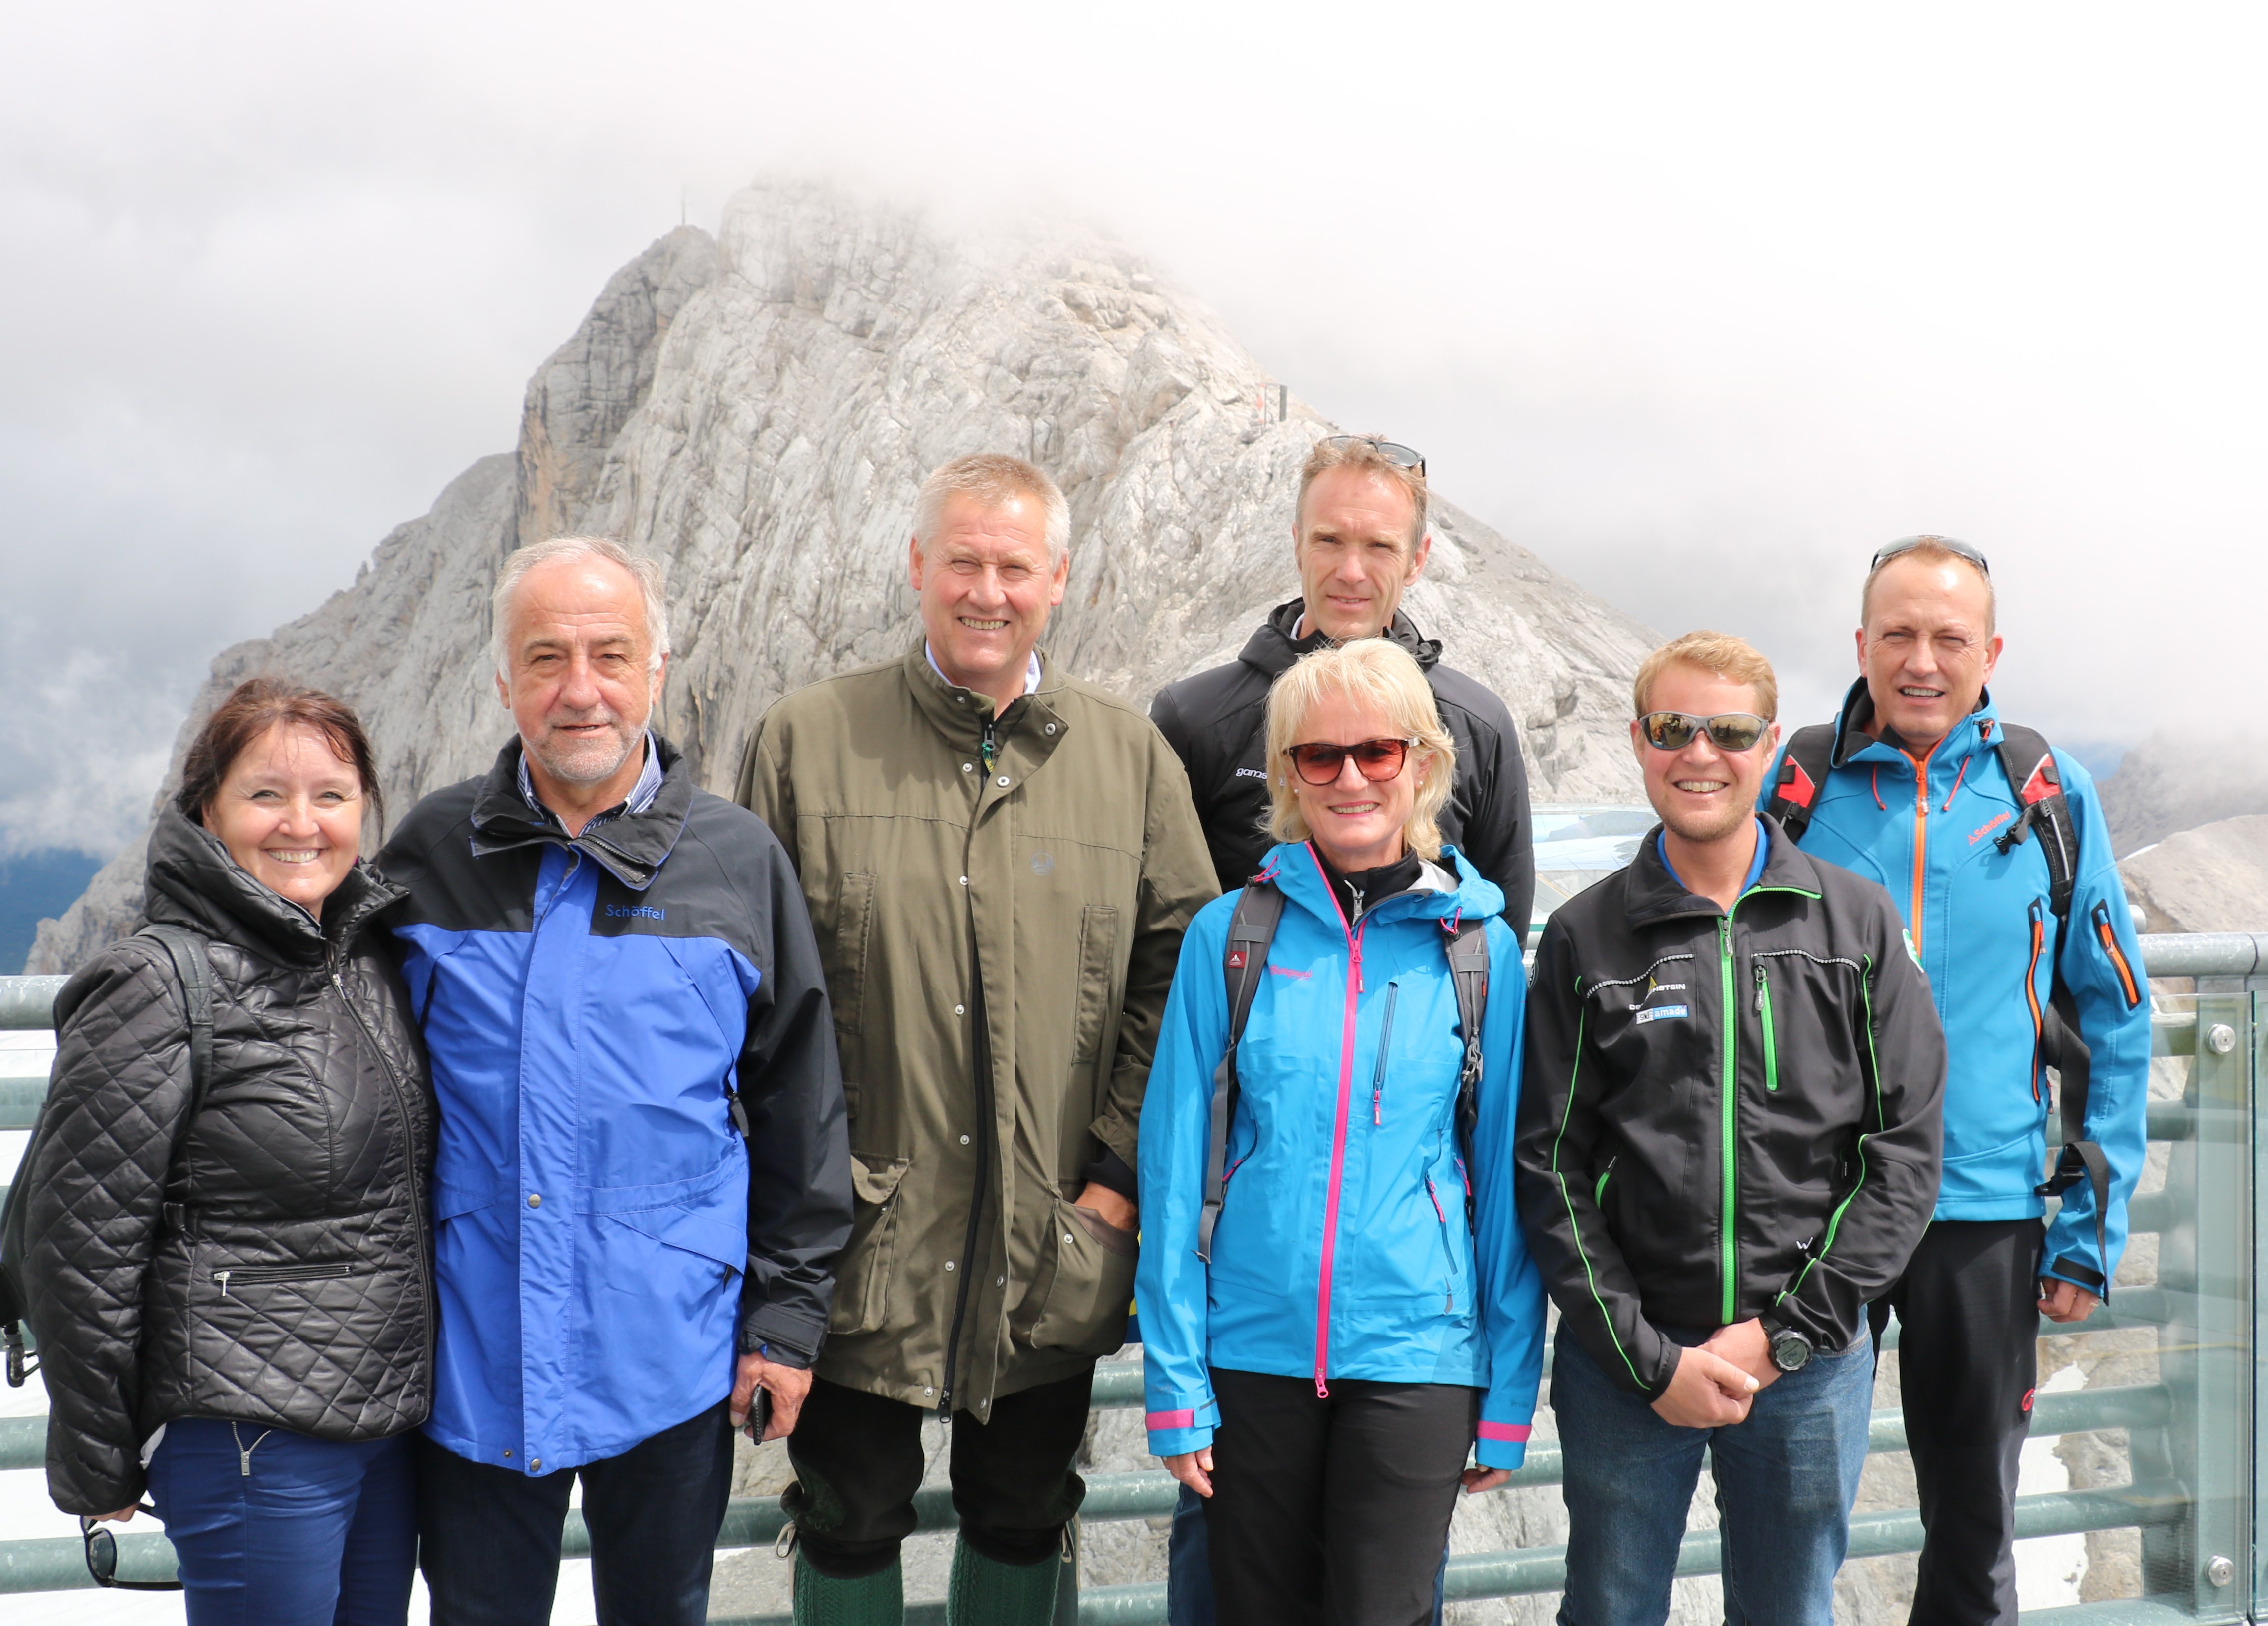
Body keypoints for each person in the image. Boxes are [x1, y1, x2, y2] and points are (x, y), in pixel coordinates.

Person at [736, 452, 1216, 1624]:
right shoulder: (807, 742)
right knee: (846, 1511)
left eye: (1013, 567)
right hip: (859, 1238)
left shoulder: (1130, 761)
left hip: (1050, 1234)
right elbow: (748, 1002)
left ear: (1058, 580)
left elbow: (1185, 981)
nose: (985, 591)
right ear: (917, 565)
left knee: (1025, 1507)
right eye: (962, 561)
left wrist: (1113, 1176)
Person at [379, 535, 850, 1626]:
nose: (579, 689)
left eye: (610, 654)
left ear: (657, 669)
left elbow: (800, 1106)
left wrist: (783, 1324)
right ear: (504, 679)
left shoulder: (736, 859)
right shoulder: (432, 851)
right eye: (546, 658)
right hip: (474, 1352)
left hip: (668, 1351)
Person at [1149, 432, 1536, 1623]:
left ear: (1425, 765)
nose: (1352, 775)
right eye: (1319, 755)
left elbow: (1498, 1164)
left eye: (1379, 751)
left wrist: (1508, 1383)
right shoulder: (1226, 927)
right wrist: (1174, 1372)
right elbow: (1179, 1152)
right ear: (1285, 772)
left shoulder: (1478, 949)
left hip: (1414, 1339)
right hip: (1256, 1328)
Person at [1515, 631, 1946, 1626]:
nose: (1698, 753)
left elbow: (1904, 1152)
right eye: (1672, 728)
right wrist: (1647, 1358)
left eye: (1729, 731)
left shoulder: (1856, 924)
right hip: (1628, 1363)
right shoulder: (1585, 935)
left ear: (1768, 746)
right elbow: (1547, 1163)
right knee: (1610, 1610)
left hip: (1806, 1364)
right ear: (1637, 740)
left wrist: (1783, 1336)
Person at [1764, 537, 2152, 1624]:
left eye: (1947, 637)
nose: (1920, 660)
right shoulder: (1796, 785)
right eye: (1897, 634)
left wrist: (2088, 1229)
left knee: (1973, 1537)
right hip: (1815, 1208)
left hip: (1980, 1211)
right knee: (1787, 1521)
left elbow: (2115, 1013)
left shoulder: (2047, 792)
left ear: (1990, 651)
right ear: (1860, 644)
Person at [23, 678, 432, 1624]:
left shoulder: (359, 960)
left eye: (331, 795)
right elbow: (80, 1243)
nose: (302, 824)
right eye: (265, 795)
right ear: (207, 808)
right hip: (251, 1435)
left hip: (381, 1423)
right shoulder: (155, 985)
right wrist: (97, 1460)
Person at [1149, 433, 1535, 927]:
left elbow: (1501, 926)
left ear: (1417, 559)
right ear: (1297, 544)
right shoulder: (1195, 720)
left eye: (1379, 546)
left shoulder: (1477, 726)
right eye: (1329, 540)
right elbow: (1162, 924)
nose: (1351, 572)